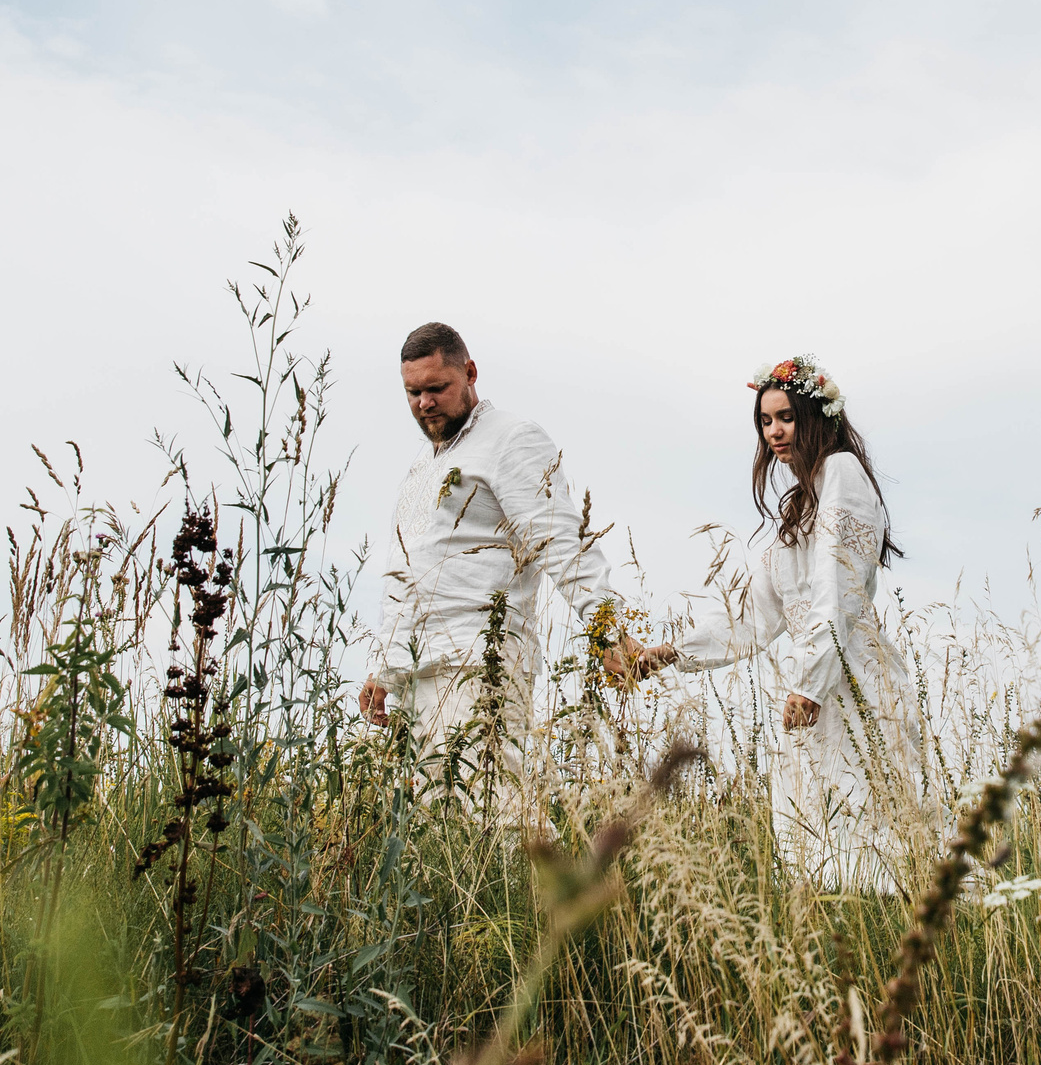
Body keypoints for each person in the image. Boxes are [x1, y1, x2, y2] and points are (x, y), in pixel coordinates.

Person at [647, 354, 923, 889]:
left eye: (786, 417)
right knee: (815, 833)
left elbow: (837, 589)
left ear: (815, 417)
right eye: (765, 421)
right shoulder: (801, 505)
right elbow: (753, 616)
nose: (774, 431)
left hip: (850, 674)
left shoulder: (842, 472)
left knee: (869, 821)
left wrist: (811, 682)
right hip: (809, 679)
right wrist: (670, 654)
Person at [358, 323, 646, 791]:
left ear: (470, 373)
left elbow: (561, 541)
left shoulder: (511, 439)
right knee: (428, 824)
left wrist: (607, 630)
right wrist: (384, 669)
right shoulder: (422, 464)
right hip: (416, 671)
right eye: (413, 392)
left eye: (436, 388)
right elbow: (409, 573)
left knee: (491, 809)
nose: (424, 403)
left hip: (480, 662)